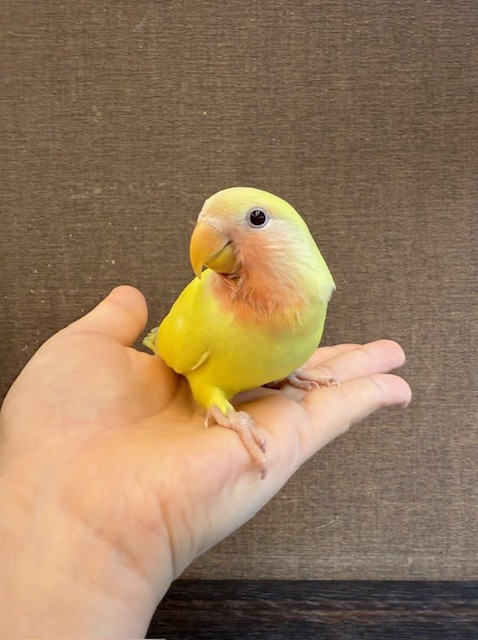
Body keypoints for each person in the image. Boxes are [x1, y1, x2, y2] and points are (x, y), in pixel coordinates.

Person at [0, 285, 411, 638]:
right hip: (202, 375)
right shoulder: (208, 304)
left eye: (257, 223)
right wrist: (229, 414)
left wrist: (288, 370)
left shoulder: (312, 305)